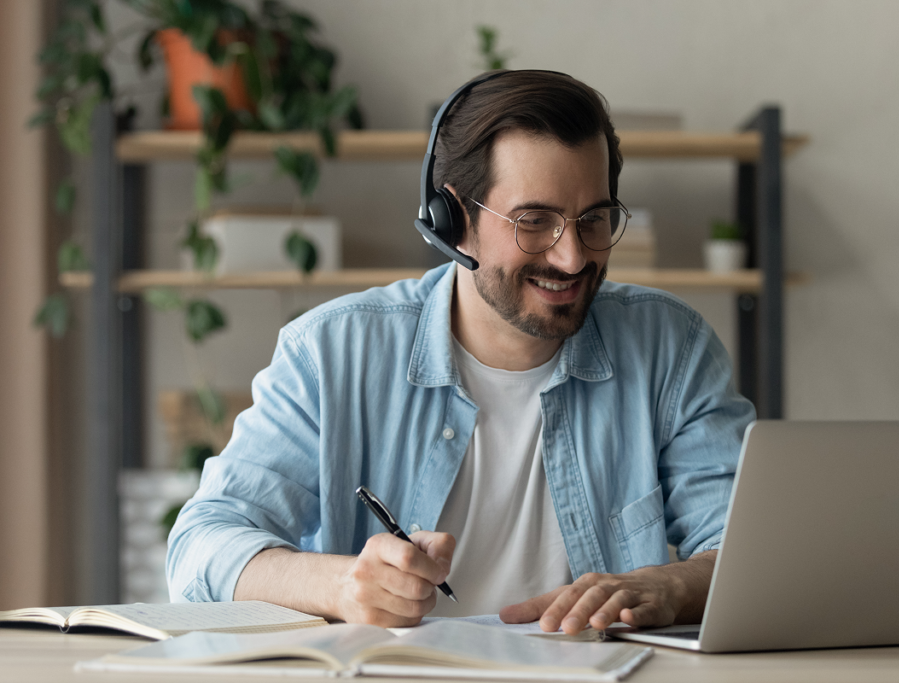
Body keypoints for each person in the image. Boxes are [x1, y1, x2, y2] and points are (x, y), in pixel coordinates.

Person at [167, 70, 755, 636]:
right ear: (453, 220)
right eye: (535, 221)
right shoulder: (331, 353)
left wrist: (668, 585)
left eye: (594, 219)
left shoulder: (671, 347)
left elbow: (748, 548)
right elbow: (200, 548)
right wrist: (342, 586)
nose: (573, 257)